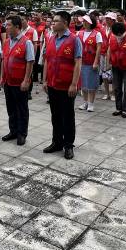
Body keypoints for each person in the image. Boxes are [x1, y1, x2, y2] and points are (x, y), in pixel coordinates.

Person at [43, 11, 82, 160]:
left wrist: (74, 84)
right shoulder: (51, 38)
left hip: (66, 86)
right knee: (55, 115)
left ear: (65, 23)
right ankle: (57, 142)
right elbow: (47, 60)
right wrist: (45, 80)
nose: (52, 23)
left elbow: (78, 63)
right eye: (52, 21)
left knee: (68, 116)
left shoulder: (74, 40)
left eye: (56, 21)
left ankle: (68, 145)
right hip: (52, 84)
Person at [0, 15, 35, 146]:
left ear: (17, 27)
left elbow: (30, 62)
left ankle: (22, 133)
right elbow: (4, 60)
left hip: (20, 82)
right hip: (8, 81)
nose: (6, 27)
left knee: (21, 109)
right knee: (11, 108)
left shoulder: (27, 42)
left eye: (9, 25)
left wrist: (26, 80)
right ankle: (13, 131)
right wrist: (2, 77)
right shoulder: (7, 42)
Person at [106, 21, 126, 117]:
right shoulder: (112, 37)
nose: (118, 36)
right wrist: (108, 63)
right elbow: (109, 51)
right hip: (116, 66)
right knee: (117, 88)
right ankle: (118, 108)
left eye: (120, 34)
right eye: (116, 34)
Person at [77, 15, 102, 112]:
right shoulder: (79, 33)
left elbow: (99, 49)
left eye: (85, 21)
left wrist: (95, 62)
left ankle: (91, 103)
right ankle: (85, 102)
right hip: (81, 62)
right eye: (83, 21)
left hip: (91, 63)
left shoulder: (97, 34)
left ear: (91, 23)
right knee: (83, 83)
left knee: (91, 83)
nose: (83, 23)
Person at [100, 13, 115, 100]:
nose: (108, 20)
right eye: (107, 18)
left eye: (109, 19)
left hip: (113, 54)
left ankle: (113, 93)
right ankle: (106, 93)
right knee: (104, 74)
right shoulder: (102, 29)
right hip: (103, 54)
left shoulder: (116, 29)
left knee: (113, 74)